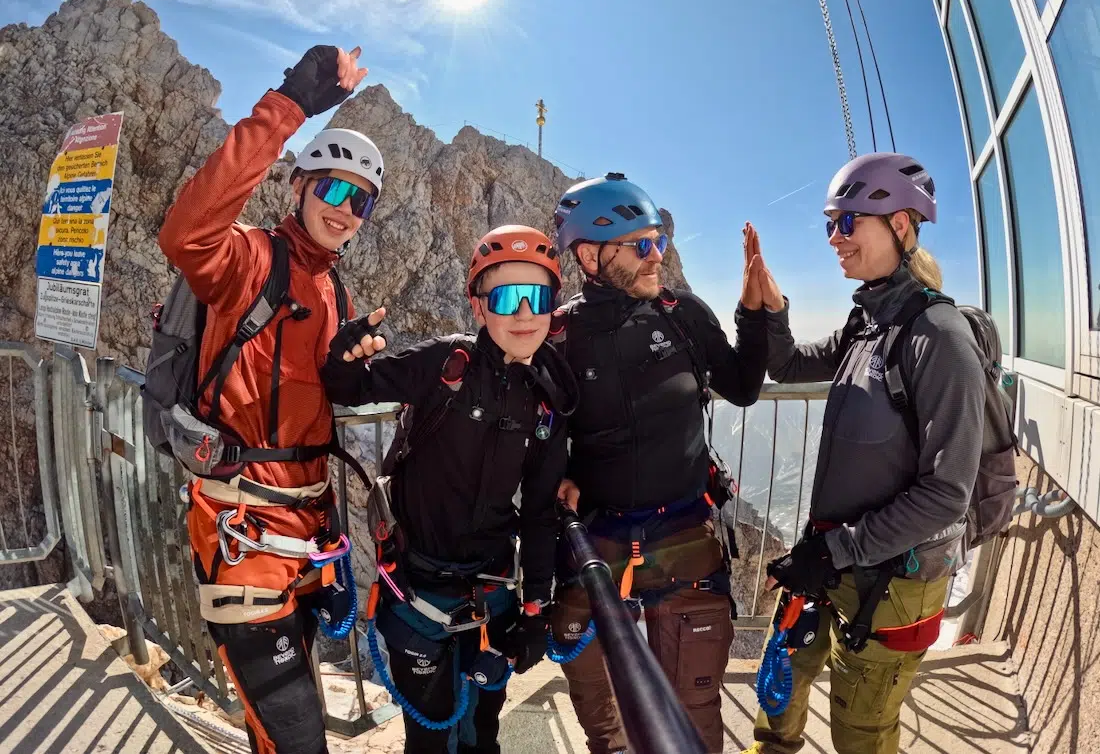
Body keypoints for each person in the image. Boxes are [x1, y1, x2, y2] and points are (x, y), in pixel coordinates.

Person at [158, 44, 383, 754]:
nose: (346, 211)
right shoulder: (250, 259)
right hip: (243, 537)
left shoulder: (335, 290)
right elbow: (186, 233)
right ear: (300, 188)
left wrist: (352, 374)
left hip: (309, 538)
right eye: (333, 190)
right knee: (298, 739)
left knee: (275, 732)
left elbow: (314, 414)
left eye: (363, 201)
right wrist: (288, 106)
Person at [743, 152, 987, 754]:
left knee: (863, 730)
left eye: (847, 222)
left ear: (900, 225)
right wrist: (771, 305)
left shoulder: (940, 340)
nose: (834, 238)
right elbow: (792, 366)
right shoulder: (867, 322)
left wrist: (836, 550)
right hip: (836, 555)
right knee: (783, 687)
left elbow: (947, 492)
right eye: (831, 223)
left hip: (892, 580)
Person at [321, 225, 579, 754]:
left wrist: (535, 610)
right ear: (479, 307)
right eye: (508, 296)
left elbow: (537, 513)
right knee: (429, 733)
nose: (525, 313)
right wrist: (341, 357)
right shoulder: (444, 365)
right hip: (418, 587)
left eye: (540, 297)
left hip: (491, 592)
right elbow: (352, 387)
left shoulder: (549, 400)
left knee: (485, 728)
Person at [548, 172, 771, 753]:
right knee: (608, 725)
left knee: (692, 722)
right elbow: (533, 429)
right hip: (599, 548)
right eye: (640, 245)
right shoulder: (560, 335)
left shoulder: (683, 314)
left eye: (659, 242)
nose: (656, 257)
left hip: (685, 542)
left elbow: (744, 385)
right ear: (591, 256)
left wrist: (753, 313)